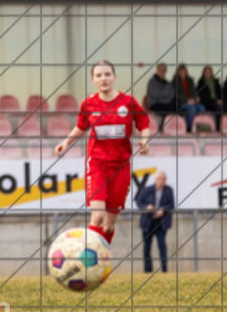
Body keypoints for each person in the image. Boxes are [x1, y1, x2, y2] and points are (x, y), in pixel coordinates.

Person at [55, 60, 150, 246]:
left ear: (114, 77)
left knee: (108, 226)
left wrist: (145, 141)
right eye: (99, 75)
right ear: (93, 80)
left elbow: (144, 123)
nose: (103, 78)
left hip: (120, 166)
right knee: (97, 216)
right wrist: (66, 141)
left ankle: (100, 258)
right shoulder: (88, 103)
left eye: (107, 74)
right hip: (97, 164)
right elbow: (81, 126)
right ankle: (88, 260)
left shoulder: (128, 102)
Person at [135, 171, 174, 273]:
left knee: (162, 246)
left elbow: (171, 204)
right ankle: (148, 271)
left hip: (161, 223)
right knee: (147, 248)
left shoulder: (168, 190)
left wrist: (163, 210)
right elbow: (139, 203)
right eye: (159, 179)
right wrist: (147, 207)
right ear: (155, 180)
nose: (161, 181)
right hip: (148, 222)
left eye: (163, 179)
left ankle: (164, 270)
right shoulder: (147, 190)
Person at [173, 63, 205, 132]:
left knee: (202, 108)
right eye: (180, 71)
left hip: (192, 101)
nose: (182, 72)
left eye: (183, 71)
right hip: (181, 103)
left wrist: (196, 99)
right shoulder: (174, 82)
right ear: (178, 72)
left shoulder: (190, 81)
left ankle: (198, 126)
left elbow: (195, 92)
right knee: (192, 109)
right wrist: (187, 100)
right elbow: (175, 95)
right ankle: (188, 128)